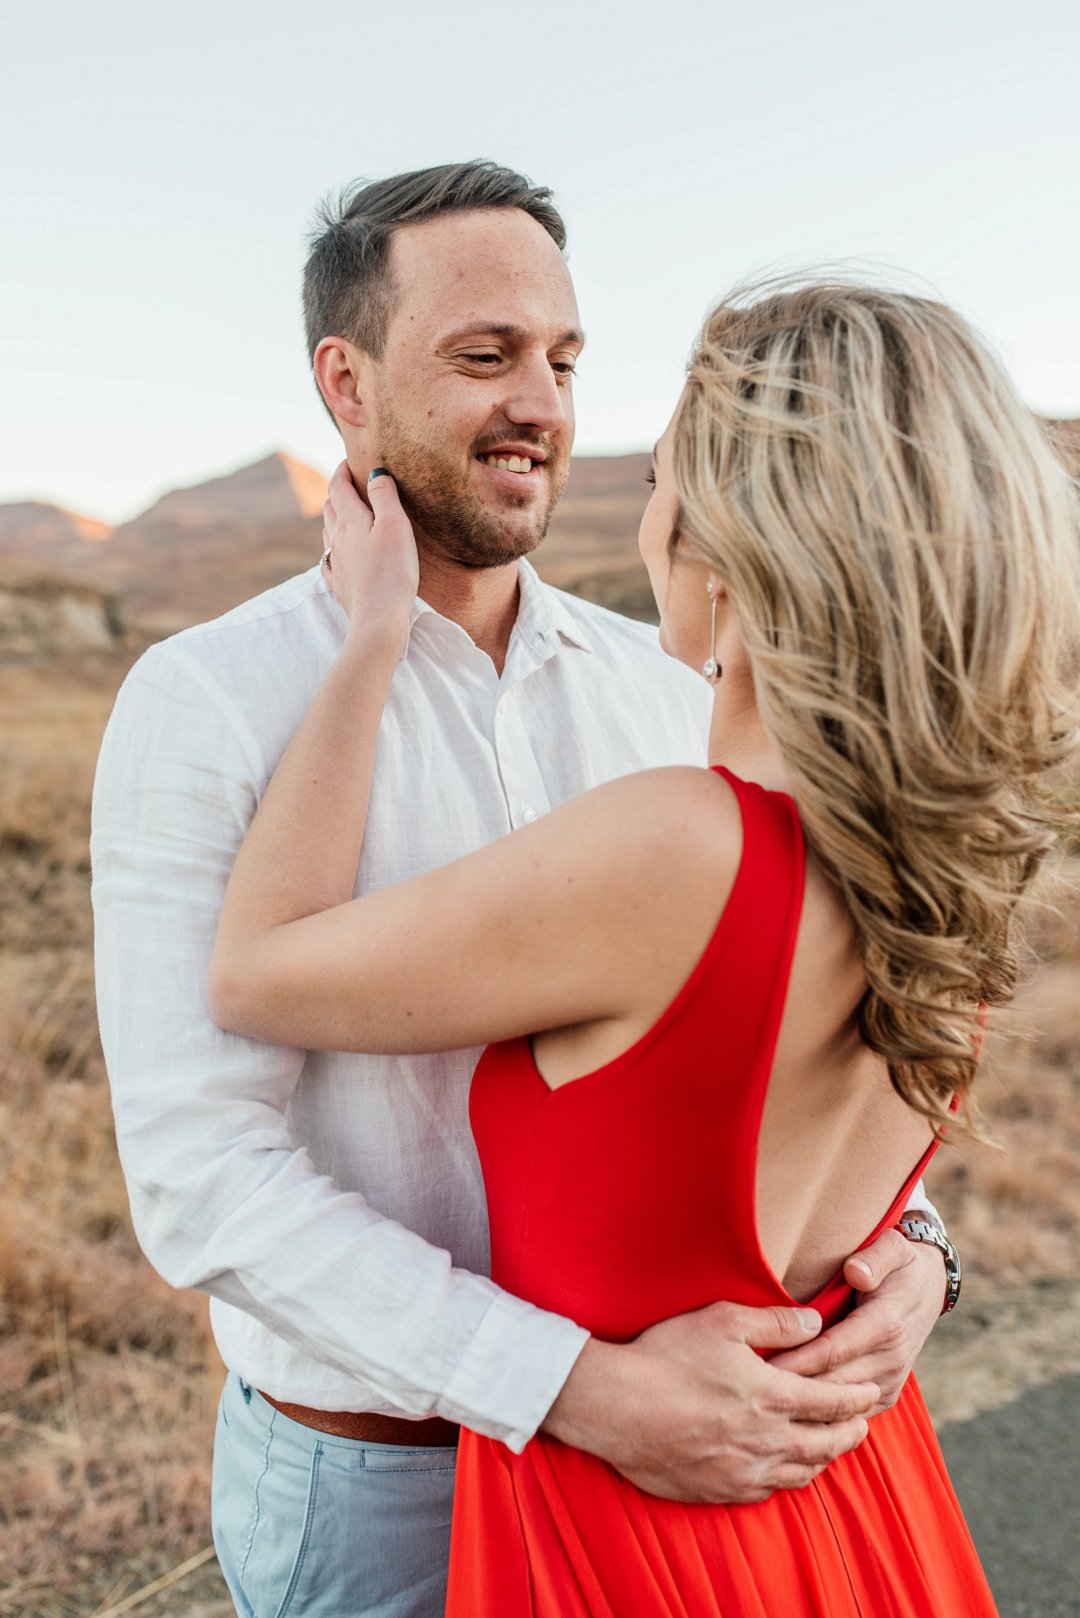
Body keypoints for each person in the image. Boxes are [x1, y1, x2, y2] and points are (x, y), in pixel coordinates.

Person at [93, 166, 949, 1618]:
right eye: (485, 357)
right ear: (345, 385)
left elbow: (807, 1031)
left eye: (563, 359)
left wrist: (908, 1255)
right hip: (384, 1490)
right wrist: (566, 1385)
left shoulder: (670, 684)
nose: (543, 405)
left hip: (688, 1470)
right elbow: (199, 1178)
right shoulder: (209, 703)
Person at [208, 279, 1080, 1614]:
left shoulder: (684, 846)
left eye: (669, 471)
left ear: (735, 552)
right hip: (851, 1499)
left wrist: (370, 631)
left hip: (642, 1537)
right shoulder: (941, 862)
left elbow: (259, 967)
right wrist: (930, 1253)